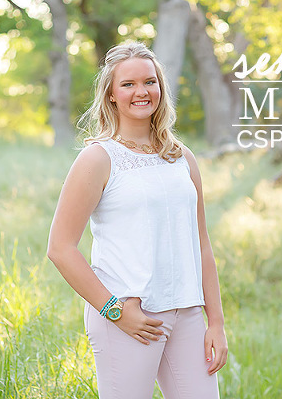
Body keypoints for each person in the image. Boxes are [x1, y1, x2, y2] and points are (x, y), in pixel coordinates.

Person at [47, 41, 228, 399]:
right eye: (128, 84)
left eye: (150, 82)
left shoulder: (182, 157)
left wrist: (217, 322)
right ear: (111, 94)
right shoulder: (98, 158)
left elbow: (202, 244)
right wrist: (113, 311)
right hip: (129, 318)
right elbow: (60, 248)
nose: (141, 92)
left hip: (187, 313)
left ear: (161, 87)